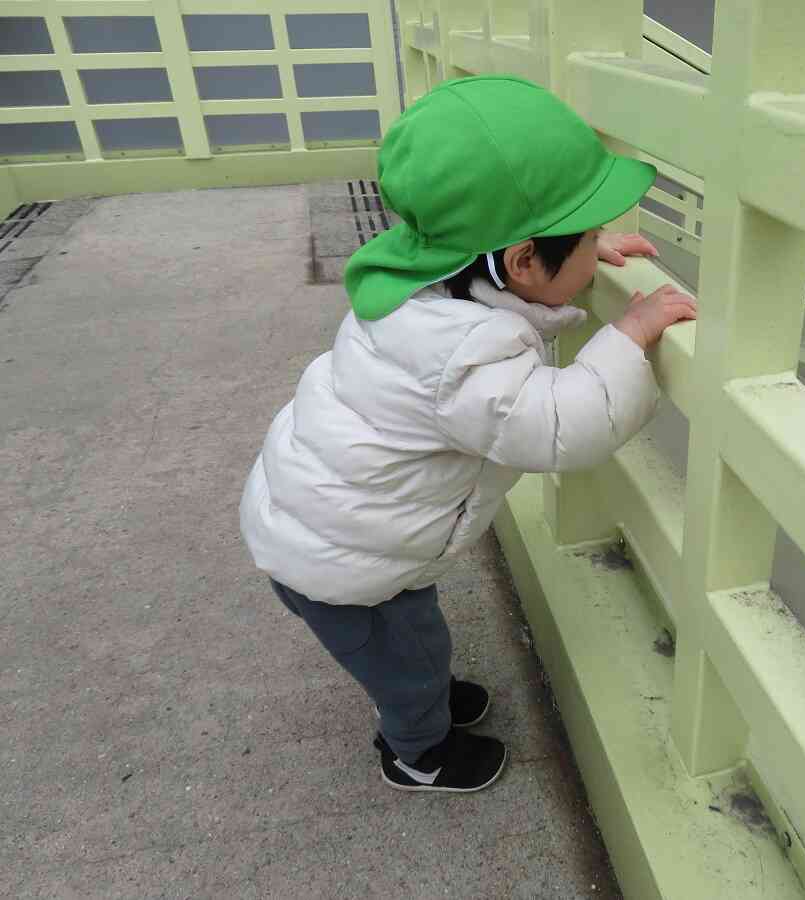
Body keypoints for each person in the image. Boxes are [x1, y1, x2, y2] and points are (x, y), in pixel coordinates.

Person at [239, 75, 696, 793]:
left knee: (411, 638)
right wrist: (629, 333)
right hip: (338, 564)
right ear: (521, 260)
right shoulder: (460, 355)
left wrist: (576, 263)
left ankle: (422, 692)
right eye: (590, 237)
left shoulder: (425, 279)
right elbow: (559, 427)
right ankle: (418, 753)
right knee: (405, 657)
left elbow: (508, 290)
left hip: (332, 525)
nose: (601, 244)